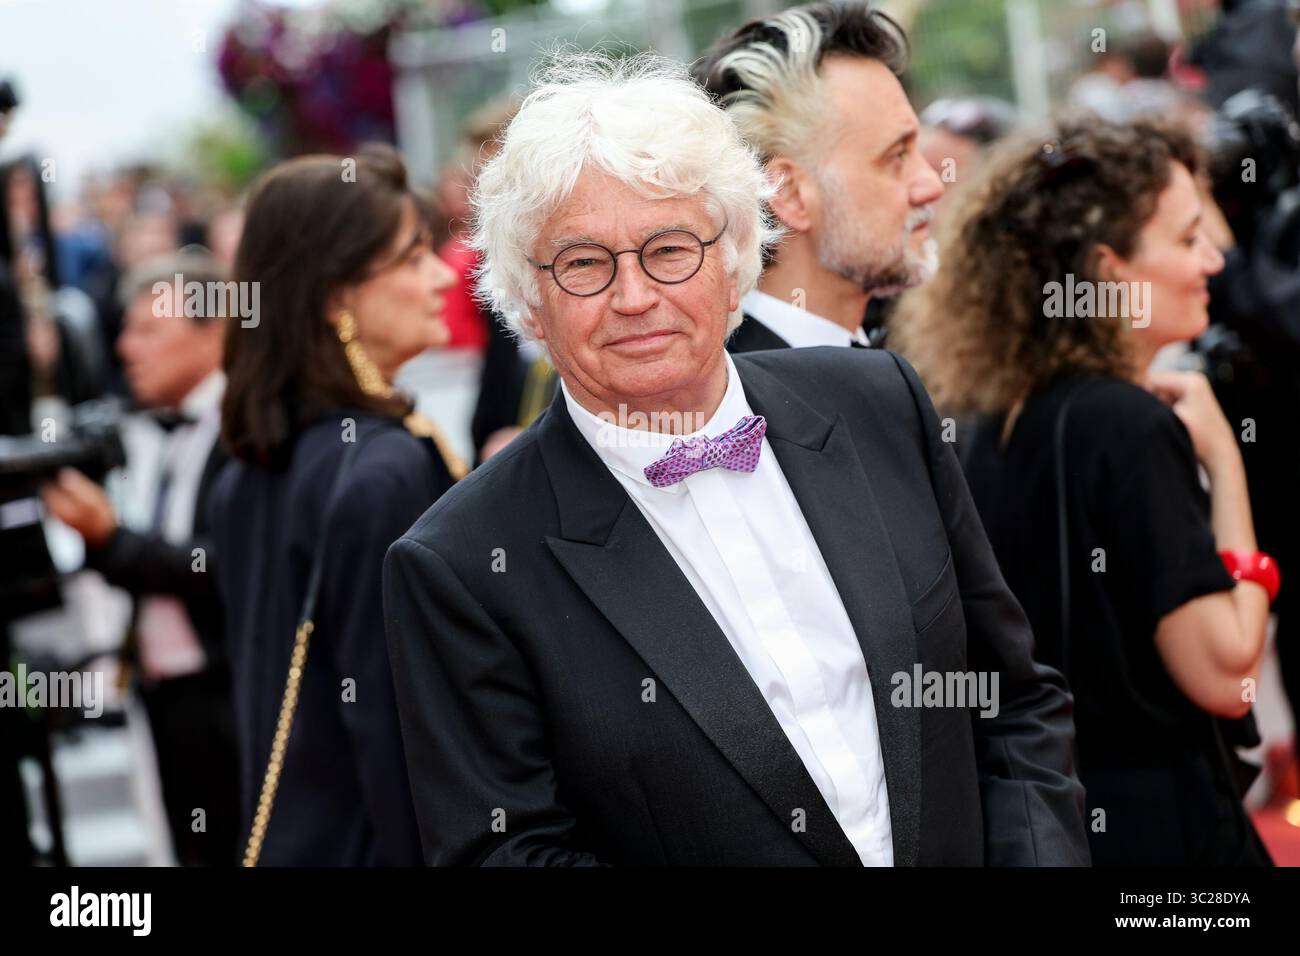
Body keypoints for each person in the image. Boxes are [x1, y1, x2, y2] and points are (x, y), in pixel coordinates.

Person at [382, 52, 1089, 867]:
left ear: (735, 256)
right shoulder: (462, 565)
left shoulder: (878, 404)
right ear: (530, 301)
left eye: (670, 248)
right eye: (583, 263)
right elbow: (505, 855)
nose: (634, 295)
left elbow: (1015, 702)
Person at [892, 118, 1277, 866]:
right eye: (1187, 237)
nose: (1215, 257)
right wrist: (1227, 466)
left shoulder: (992, 414)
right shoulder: (1124, 426)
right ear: (1109, 268)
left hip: (1060, 817)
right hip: (1167, 837)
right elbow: (1230, 674)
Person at [208, 144, 461, 866]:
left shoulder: (250, 466)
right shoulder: (383, 469)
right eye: (413, 258)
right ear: (336, 296)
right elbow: (398, 733)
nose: (442, 274)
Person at [41, 248, 240, 866]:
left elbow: (225, 566)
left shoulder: (249, 427)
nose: (127, 348)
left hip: (230, 699)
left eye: (151, 330)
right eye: (127, 329)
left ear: (216, 331)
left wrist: (110, 537)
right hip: (169, 700)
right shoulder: (157, 428)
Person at [693, 2, 942, 353]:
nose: (931, 185)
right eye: (896, 156)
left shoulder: (900, 355)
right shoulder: (729, 395)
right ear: (790, 193)